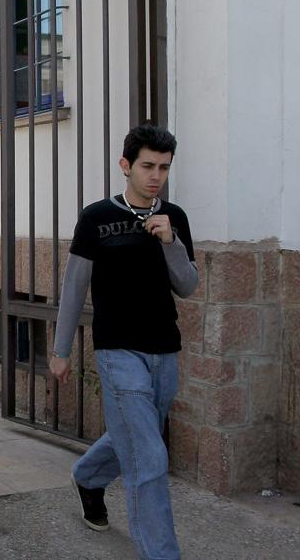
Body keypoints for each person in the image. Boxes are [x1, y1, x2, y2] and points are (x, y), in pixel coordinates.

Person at [50, 124, 198, 560]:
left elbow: (188, 286)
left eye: (164, 168)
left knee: (136, 435)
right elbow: (75, 287)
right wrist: (60, 351)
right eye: (148, 166)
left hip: (164, 349)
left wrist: (170, 242)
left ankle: (89, 476)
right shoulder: (96, 217)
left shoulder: (175, 218)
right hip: (117, 350)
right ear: (126, 166)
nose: (156, 176)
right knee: (149, 457)